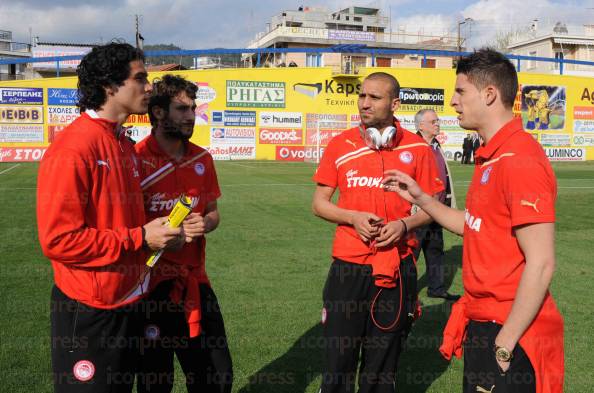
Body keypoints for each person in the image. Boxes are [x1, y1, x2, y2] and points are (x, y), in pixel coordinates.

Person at [382, 48, 563, 393]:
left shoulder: (519, 160)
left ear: (490, 94)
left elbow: (541, 263)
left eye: (461, 91)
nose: (452, 101)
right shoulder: (490, 158)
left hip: (512, 328)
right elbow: (474, 225)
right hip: (484, 322)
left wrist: (506, 340)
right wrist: (420, 197)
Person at [37, 42, 185, 393]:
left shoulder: (123, 144)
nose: (149, 86)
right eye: (140, 78)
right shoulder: (74, 148)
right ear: (109, 87)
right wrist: (139, 238)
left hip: (131, 300)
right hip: (91, 310)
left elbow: (125, 220)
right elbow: (58, 240)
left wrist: (166, 231)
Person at [311, 72, 444, 393]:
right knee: (338, 361)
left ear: (395, 103)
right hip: (348, 267)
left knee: (383, 365)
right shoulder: (340, 144)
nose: (364, 103)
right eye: (362, 96)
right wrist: (352, 217)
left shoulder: (418, 149)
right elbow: (319, 203)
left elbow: (434, 205)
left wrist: (405, 225)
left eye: (374, 97)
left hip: (397, 269)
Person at [135, 75, 232, 393]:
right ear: (159, 112)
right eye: (181, 108)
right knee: (155, 381)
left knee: (216, 378)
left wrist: (204, 223)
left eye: (193, 108)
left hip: (196, 282)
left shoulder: (203, 158)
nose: (191, 115)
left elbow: (214, 212)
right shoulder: (135, 160)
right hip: (150, 289)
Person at [413, 109, 459, 301]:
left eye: (437, 120)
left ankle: (436, 288)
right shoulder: (412, 146)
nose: (437, 123)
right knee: (410, 254)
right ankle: (403, 291)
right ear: (421, 125)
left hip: (437, 209)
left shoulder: (435, 145)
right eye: (433, 121)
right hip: (418, 210)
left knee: (435, 250)